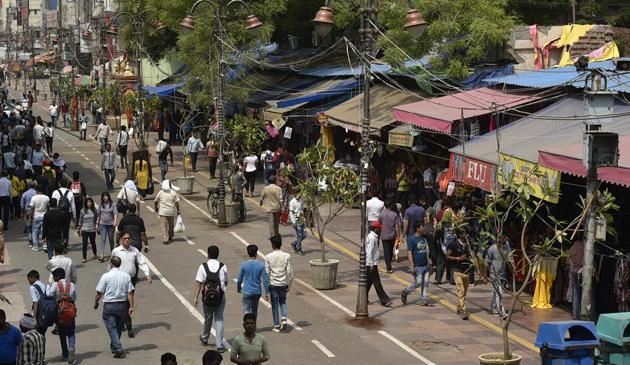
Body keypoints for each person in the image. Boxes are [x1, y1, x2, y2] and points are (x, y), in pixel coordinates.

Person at [111, 231, 152, 338]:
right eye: (124, 238)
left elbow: (141, 262)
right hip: (118, 280)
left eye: (128, 238)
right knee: (121, 302)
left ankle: (127, 324)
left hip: (131, 280)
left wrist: (147, 274)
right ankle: (126, 325)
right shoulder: (116, 251)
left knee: (128, 302)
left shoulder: (134, 251)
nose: (126, 240)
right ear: (121, 240)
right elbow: (111, 264)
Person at [94, 256, 135, 358]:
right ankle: (114, 346)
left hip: (109, 305)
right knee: (119, 326)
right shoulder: (126, 276)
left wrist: (96, 303)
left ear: (111, 264)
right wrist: (131, 306)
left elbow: (99, 292)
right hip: (122, 305)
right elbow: (130, 292)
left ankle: (118, 347)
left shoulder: (106, 276)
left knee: (112, 327)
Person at [194, 245, 228, 352]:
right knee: (219, 319)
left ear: (208, 254)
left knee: (208, 319)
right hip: (220, 297)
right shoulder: (223, 266)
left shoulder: (203, 266)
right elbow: (226, 281)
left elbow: (199, 283)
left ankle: (204, 338)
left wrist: (196, 298)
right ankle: (219, 345)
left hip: (207, 298)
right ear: (218, 255)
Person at [46, 268, 77, 364]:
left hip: (59, 311)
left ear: (58, 276)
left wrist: (48, 287)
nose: (54, 278)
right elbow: (74, 297)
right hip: (70, 311)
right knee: (71, 332)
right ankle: (71, 347)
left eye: (54, 276)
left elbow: (49, 294)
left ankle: (65, 354)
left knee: (62, 334)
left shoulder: (55, 285)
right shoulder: (71, 285)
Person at [265, 235, 293, 333]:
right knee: (283, 302)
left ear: (272, 245)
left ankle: (277, 325)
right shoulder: (287, 256)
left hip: (273, 284)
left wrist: (266, 287)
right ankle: (284, 319)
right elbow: (289, 272)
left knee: (274, 305)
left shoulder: (268, 256)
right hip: (283, 283)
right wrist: (289, 284)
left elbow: (267, 272)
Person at [401, 223, 433, 306]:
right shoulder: (411, 239)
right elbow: (409, 253)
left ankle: (424, 300)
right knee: (418, 282)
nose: (424, 228)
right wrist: (412, 265)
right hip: (417, 265)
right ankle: (405, 292)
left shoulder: (424, 237)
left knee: (425, 283)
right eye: (422, 226)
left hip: (425, 264)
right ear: (417, 228)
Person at [447, 230, 475, 320]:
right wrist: (458, 258)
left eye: (467, 233)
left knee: (464, 292)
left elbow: (473, 255)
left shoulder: (469, 244)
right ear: (460, 235)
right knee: (461, 291)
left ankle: (459, 307)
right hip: (457, 271)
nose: (467, 235)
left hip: (467, 271)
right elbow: (447, 256)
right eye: (465, 233)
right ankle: (464, 310)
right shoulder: (454, 244)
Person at [237, 245, 269, 318]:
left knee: (246, 310)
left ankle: (247, 325)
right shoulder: (261, 265)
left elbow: (239, 279)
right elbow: (265, 280)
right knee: (254, 310)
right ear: (256, 253)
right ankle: (254, 326)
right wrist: (266, 293)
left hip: (247, 291)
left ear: (248, 253)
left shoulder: (243, 265)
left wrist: (238, 287)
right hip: (257, 292)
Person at [365, 221, 393, 307]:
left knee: (368, 282)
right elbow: (369, 252)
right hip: (371, 264)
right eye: (379, 228)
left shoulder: (372, 236)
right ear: (376, 228)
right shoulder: (372, 238)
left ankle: (363, 297)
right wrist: (371, 264)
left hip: (371, 263)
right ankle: (385, 300)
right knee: (377, 283)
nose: (380, 229)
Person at [485, 237, 511, 316]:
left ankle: (493, 307)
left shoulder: (507, 248)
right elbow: (487, 262)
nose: (504, 239)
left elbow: (510, 258)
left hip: (502, 274)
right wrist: (486, 275)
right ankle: (502, 311)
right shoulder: (492, 248)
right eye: (502, 238)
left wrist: (513, 269)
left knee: (497, 292)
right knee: (499, 292)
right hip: (494, 274)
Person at [154, 180, 180, 245]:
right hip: (171, 211)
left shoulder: (160, 192)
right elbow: (177, 203)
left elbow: (156, 201)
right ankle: (170, 236)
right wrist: (178, 210)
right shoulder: (173, 192)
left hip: (162, 212)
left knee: (163, 226)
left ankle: (165, 239)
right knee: (171, 225)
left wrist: (156, 207)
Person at [52, 181, 76, 247]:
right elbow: (73, 206)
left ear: (59, 184)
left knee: (58, 228)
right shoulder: (70, 192)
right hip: (67, 213)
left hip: (57, 213)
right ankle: (65, 244)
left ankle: (59, 244)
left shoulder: (55, 192)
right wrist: (74, 216)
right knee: (66, 229)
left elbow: (52, 203)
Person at [379, 201, 401, 273]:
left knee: (386, 251)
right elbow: (397, 226)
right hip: (392, 235)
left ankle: (389, 267)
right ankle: (389, 264)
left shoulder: (382, 214)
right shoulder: (394, 214)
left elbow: (379, 223)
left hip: (384, 235)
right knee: (390, 250)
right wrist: (398, 236)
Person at [97, 191, 118, 262]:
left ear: (108, 196)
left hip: (111, 225)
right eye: (104, 196)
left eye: (106, 196)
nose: (105, 197)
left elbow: (115, 213)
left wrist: (115, 221)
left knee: (111, 239)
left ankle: (112, 254)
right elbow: (99, 214)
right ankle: (102, 255)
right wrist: (98, 223)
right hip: (103, 225)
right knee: (103, 239)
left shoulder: (113, 204)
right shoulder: (101, 204)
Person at [29, 184, 49, 252]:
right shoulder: (46, 197)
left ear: (36, 190)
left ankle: (36, 246)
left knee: (35, 231)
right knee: (45, 231)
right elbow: (49, 207)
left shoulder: (34, 198)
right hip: (45, 216)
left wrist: (30, 217)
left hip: (36, 216)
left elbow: (32, 208)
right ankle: (45, 245)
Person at [77, 197, 98, 263]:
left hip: (92, 229)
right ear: (86, 203)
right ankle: (84, 258)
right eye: (88, 202)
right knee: (85, 243)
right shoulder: (82, 211)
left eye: (91, 202)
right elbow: (80, 220)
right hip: (84, 229)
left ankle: (95, 254)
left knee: (93, 242)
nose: (90, 203)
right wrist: (78, 229)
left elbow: (97, 218)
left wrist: (97, 225)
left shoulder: (94, 210)